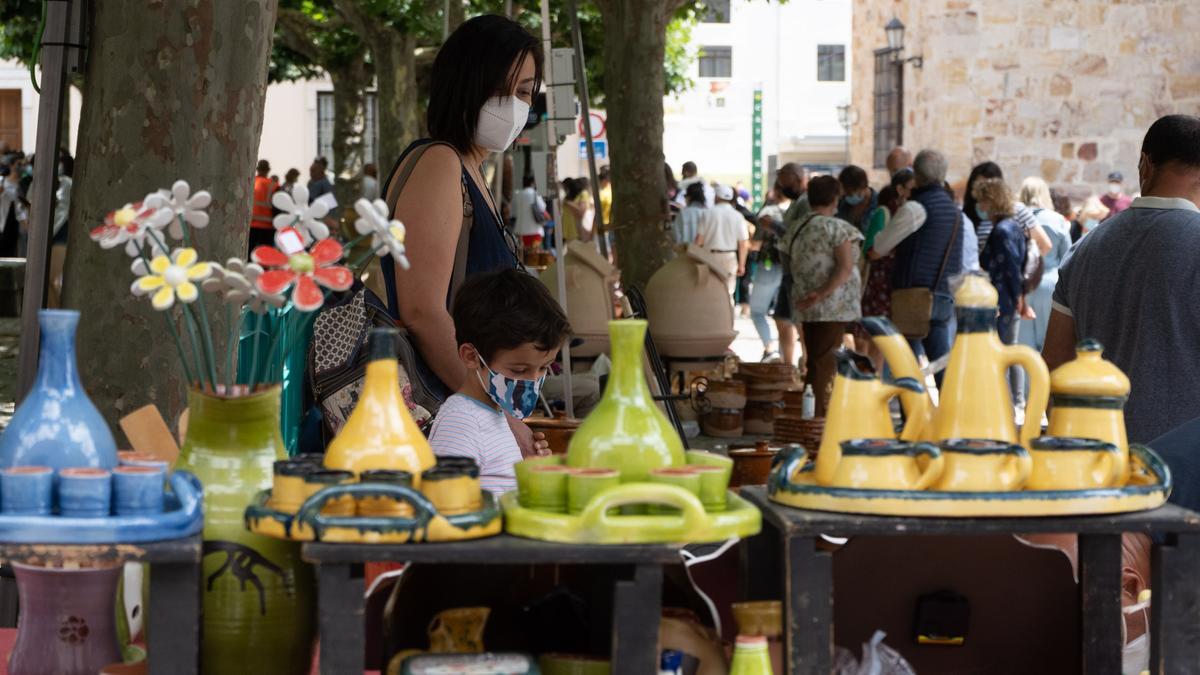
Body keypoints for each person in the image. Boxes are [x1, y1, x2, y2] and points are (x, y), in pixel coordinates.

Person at [377, 14, 541, 452]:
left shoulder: (473, 171)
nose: (513, 105)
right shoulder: (439, 163)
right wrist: (500, 415)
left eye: (524, 92)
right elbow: (422, 311)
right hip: (442, 417)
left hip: (465, 411)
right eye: (499, 89)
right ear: (463, 84)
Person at [1044, 114, 1200, 443]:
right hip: (1183, 471)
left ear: (1145, 164)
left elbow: (1054, 370)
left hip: (1101, 462)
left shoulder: (1083, 250)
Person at [429, 269, 566, 492]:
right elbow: (446, 508)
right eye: (519, 370)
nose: (533, 380)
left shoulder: (495, 412)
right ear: (472, 357)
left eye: (543, 368)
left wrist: (528, 472)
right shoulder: (461, 423)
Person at [870, 149, 963, 380]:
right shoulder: (955, 212)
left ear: (916, 175)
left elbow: (879, 247)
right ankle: (949, 412)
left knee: (907, 366)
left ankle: (913, 415)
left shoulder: (915, 208)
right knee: (941, 362)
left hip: (913, 296)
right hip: (943, 293)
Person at [788, 175, 862, 415]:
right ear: (835, 199)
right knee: (823, 364)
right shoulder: (837, 228)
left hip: (805, 303)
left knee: (815, 361)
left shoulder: (797, 228)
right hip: (832, 305)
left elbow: (787, 262)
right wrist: (821, 293)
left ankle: (812, 412)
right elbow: (845, 267)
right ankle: (818, 417)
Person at [975, 177, 1028, 412]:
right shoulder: (1014, 227)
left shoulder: (1002, 231)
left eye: (983, 201)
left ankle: (1005, 404)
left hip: (1002, 300)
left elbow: (1010, 267)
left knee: (1002, 352)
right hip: (1008, 297)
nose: (981, 206)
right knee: (1009, 349)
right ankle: (1014, 401)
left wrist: (1017, 297)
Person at [1017, 177, 1071, 353]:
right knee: (1049, 342)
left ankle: (1026, 382)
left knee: (1024, 345)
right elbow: (1067, 256)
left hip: (1022, 284)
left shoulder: (1015, 218)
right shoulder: (1057, 219)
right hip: (1050, 281)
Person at [962, 161, 1053, 257]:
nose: (982, 192)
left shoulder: (1017, 210)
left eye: (986, 188)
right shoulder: (967, 213)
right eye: (977, 186)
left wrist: (1024, 266)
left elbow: (1045, 245)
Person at [855, 184, 902, 370]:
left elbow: (868, 248)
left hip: (877, 285)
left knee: (870, 336)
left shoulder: (884, 214)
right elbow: (870, 251)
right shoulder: (885, 213)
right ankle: (872, 379)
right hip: (881, 284)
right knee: (877, 337)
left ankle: (865, 380)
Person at [748, 182, 793, 361]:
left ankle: (770, 348)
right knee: (784, 316)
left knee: (758, 311)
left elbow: (757, 243)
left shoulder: (768, 213)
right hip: (789, 268)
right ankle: (785, 357)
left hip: (768, 266)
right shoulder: (795, 212)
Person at [774, 163, 809, 367]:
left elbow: (796, 233)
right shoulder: (796, 202)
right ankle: (789, 365)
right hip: (789, 270)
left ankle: (804, 362)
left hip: (797, 272)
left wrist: (775, 226)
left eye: (785, 182)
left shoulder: (804, 203)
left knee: (798, 321)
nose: (782, 187)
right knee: (783, 318)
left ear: (797, 179)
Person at [695, 184, 749, 298]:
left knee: (709, 292)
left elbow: (699, 241)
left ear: (717, 197)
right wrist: (742, 265)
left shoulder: (707, 213)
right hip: (729, 257)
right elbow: (743, 243)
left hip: (709, 256)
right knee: (728, 293)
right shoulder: (738, 216)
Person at [48, 153, 73, 308]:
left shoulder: (66, 183)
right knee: (47, 283)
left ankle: (58, 315)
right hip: (45, 236)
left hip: (60, 233)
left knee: (51, 279)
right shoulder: (37, 183)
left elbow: (63, 209)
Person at [836, 164, 877, 234]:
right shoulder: (842, 203)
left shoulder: (879, 205)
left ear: (863, 187)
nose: (846, 197)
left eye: (849, 193)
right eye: (844, 194)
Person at [512, 174, 547, 249]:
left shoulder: (518, 194)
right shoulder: (535, 194)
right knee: (533, 256)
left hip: (520, 230)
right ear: (532, 183)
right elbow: (543, 208)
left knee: (522, 256)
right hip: (535, 230)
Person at [250, 159, 276, 251]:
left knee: (250, 253)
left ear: (258, 169)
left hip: (252, 224)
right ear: (268, 170)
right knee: (265, 254)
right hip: (268, 226)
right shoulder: (274, 185)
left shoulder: (251, 182)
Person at [672, 182, 706, 246]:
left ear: (689, 197)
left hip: (686, 250)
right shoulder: (707, 213)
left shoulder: (683, 213)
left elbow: (676, 234)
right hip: (703, 251)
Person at [563, 176, 595, 243]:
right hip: (571, 230)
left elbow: (581, 211)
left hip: (578, 230)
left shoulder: (584, 193)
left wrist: (568, 203)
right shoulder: (573, 196)